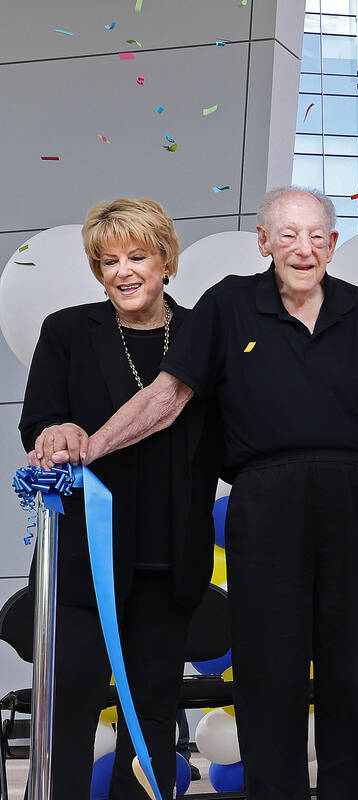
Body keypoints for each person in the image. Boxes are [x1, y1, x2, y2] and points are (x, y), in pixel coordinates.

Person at [29, 186, 358, 799]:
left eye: (316, 235)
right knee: (267, 674)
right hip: (259, 506)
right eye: (287, 234)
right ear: (263, 241)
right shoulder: (227, 305)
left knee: (356, 673)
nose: (303, 247)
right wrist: (86, 449)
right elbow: (166, 398)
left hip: (349, 506)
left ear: (333, 244)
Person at [19, 198, 222, 798]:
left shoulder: (200, 336)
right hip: (83, 558)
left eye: (138, 256)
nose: (124, 271)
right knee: (69, 713)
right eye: (108, 261)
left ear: (166, 261)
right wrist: (56, 434)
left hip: (168, 556)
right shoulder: (66, 330)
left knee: (152, 719)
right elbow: (40, 419)